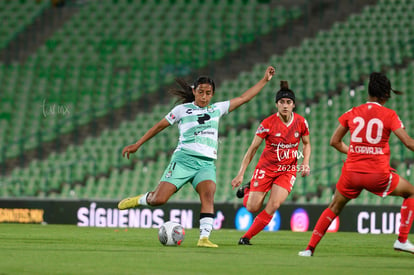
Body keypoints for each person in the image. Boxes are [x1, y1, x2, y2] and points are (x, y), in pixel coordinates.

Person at [118, 66, 276, 248]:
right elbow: (158, 126)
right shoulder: (182, 110)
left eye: (208, 93)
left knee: (208, 196)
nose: (204, 96)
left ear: (213, 94)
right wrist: (138, 144)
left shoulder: (217, 109)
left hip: (206, 164)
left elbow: (244, 98)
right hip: (183, 160)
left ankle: (204, 238)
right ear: (194, 91)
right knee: (159, 200)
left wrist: (265, 80)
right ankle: (138, 200)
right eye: (200, 92)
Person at [298, 72, 414, 256]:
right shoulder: (389, 115)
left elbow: (334, 141)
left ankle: (309, 249)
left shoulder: (352, 112)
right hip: (377, 174)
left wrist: (355, 151)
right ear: (385, 95)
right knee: (411, 193)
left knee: (334, 206)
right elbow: (408, 143)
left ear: (369, 93)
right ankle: (402, 240)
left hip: (351, 173)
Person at [231, 80, 311, 245]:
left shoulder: (301, 122)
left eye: (288, 102)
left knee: (273, 204)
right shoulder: (267, 124)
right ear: (276, 104)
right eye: (282, 102)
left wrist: (306, 162)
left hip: (287, 170)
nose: (285, 105)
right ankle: (247, 189)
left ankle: (246, 237)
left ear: (294, 105)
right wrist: (241, 173)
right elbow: (253, 148)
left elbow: (307, 143)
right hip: (266, 168)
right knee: (252, 207)